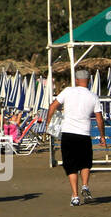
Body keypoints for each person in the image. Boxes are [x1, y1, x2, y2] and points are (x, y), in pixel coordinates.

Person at [45, 69, 107, 206]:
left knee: (71, 165)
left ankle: (75, 196)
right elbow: (99, 119)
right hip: (84, 133)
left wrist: (49, 123)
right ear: (89, 81)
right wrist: (102, 136)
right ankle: (85, 185)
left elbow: (52, 106)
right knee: (85, 162)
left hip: (68, 133)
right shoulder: (93, 96)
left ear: (77, 80)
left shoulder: (68, 91)